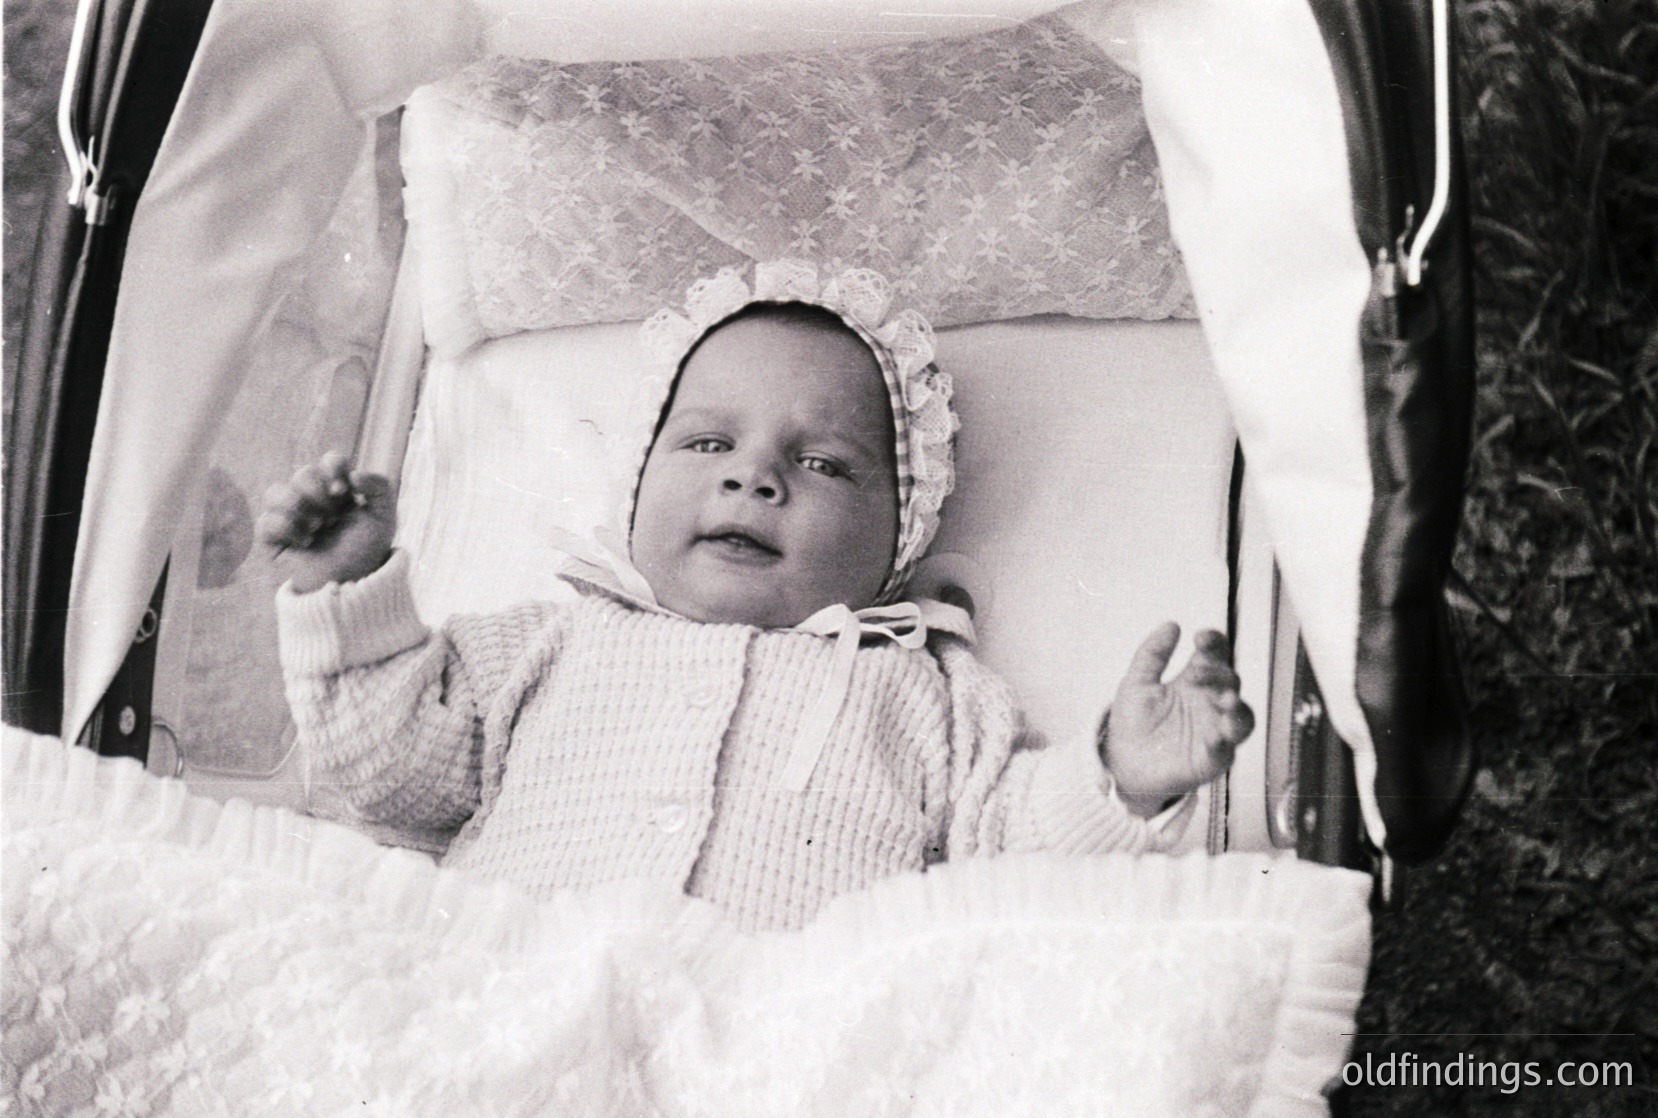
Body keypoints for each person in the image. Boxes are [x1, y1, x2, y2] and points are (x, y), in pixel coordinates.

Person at [260, 261, 1253, 933]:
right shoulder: (546, 644)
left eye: (821, 462)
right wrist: (349, 590)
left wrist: (1121, 773)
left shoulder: (930, 694)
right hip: (521, 994)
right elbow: (386, 775)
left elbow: (1017, 845)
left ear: (900, 532)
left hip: (788, 1035)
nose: (754, 477)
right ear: (636, 485)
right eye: (706, 443)